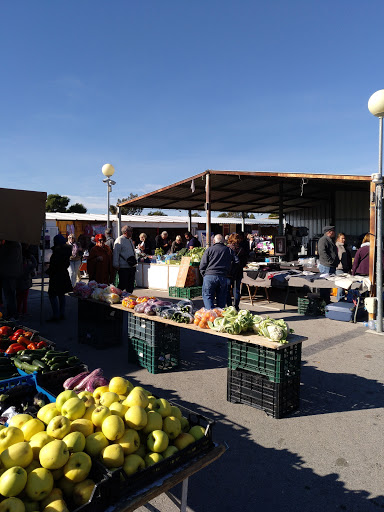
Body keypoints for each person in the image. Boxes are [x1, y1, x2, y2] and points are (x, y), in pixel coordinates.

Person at [199, 234, 238, 309]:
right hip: (223, 276)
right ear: (223, 241)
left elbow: (203, 264)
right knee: (221, 298)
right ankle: (219, 316)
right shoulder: (229, 250)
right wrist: (231, 272)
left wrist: (204, 274)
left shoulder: (209, 250)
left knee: (208, 297)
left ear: (214, 241)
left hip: (209, 276)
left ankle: (210, 315)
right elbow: (237, 261)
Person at [47, 234, 72, 322]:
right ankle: (62, 313)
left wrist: (48, 271)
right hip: (63, 274)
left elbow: (54, 265)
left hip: (56, 275)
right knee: (61, 295)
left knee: (52, 295)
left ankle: (56, 315)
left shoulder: (57, 252)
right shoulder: (66, 251)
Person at [0, 241, 23, 320]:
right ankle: (12, 313)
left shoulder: (9, 245)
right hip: (13, 273)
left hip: (8, 273)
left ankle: (12, 314)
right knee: (11, 295)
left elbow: (2, 256)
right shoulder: (17, 244)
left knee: (9, 295)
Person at [226, 233, 248, 310]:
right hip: (238, 272)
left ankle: (229, 306)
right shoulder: (241, 249)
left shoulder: (227, 249)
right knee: (236, 290)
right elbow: (245, 262)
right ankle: (236, 306)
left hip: (228, 272)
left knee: (227, 290)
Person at [317, 225, 338, 304]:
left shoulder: (330, 240)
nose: (334, 232)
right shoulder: (323, 240)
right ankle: (324, 302)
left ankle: (326, 300)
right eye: (333, 231)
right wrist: (330, 261)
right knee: (324, 285)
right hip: (326, 266)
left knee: (328, 285)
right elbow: (322, 252)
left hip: (330, 266)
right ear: (329, 232)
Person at [113, 225, 137, 293]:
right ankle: (118, 296)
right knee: (122, 284)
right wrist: (116, 264)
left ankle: (129, 297)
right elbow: (116, 253)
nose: (132, 233)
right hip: (123, 266)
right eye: (131, 231)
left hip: (131, 265)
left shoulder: (129, 240)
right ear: (126, 232)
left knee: (130, 285)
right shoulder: (119, 240)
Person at [16, 244, 37, 317]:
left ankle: (18, 311)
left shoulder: (17, 261)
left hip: (18, 281)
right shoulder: (27, 264)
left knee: (18, 297)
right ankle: (24, 311)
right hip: (25, 281)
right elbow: (34, 264)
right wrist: (31, 256)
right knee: (24, 298)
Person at [335, 232, 353, 300]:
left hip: (346, 268)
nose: (344, 240)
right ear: (338, 239)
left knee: (346, 285)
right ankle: (340, 299)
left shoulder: (345, 247)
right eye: (342, 238)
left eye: (344, 238)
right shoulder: (336, 247)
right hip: (339, 268)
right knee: (341, 285)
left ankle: (343, 298)